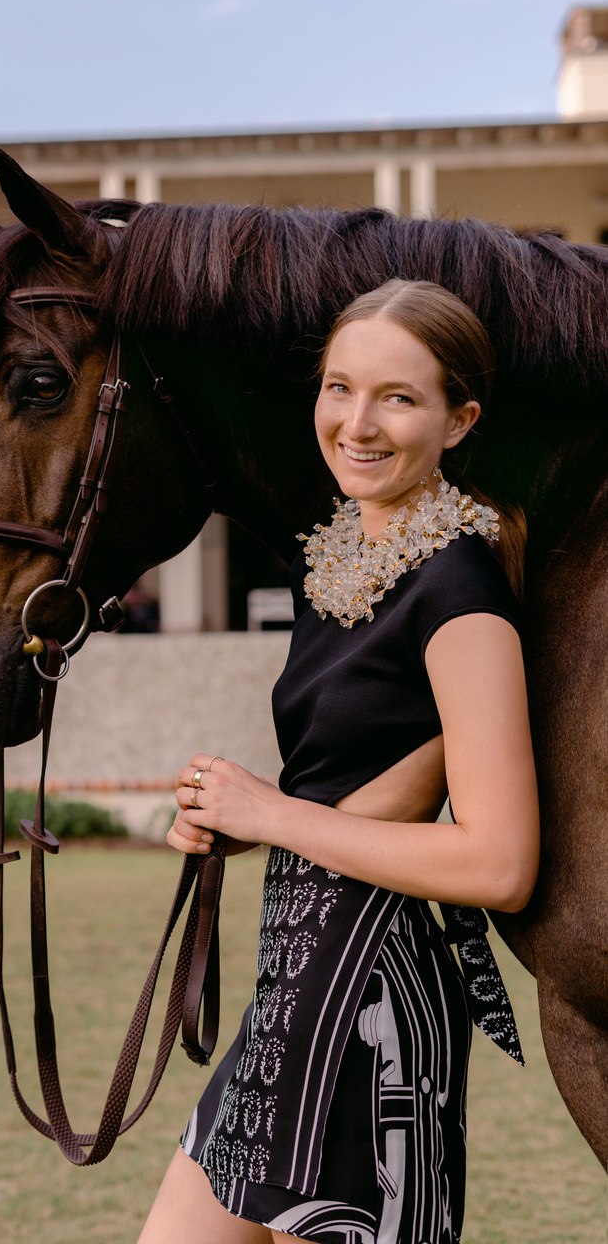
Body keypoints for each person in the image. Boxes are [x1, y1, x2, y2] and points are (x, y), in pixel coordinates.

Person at [138, 279, 540, 1244]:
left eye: (397, 398)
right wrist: (234, 822)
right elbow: (356, 791)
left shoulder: (459, 591)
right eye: (338, 388)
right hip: (293, 980)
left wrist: (270, 813)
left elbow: (499, 864)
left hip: (373, 1004)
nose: (356, 425)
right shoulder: (329, 564)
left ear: (458, 421)